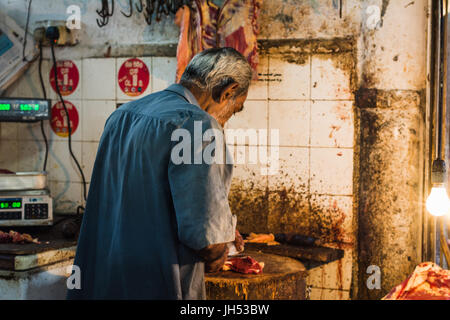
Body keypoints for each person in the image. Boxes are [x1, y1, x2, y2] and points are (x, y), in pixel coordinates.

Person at [67, 47, 252, 299]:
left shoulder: (122, 115)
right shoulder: (196, 123)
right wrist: (220, 246)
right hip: (154, 284)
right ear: (227, 91)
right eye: (234, 109)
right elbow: (206, 238)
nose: (226, 120)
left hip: (105, 281)